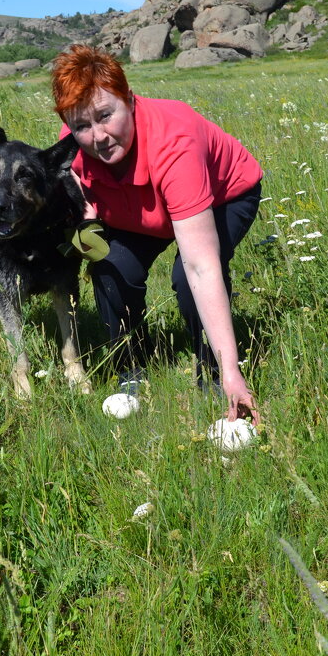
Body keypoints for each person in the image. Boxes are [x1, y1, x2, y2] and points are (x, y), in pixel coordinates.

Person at [52, 44, 262, 425]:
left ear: (130, 101)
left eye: (106, 115)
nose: (97, 136)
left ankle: (215, 373)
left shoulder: (174, 141)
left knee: (186, 276)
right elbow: (75, 190)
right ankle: (130, 367)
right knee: (110, 265)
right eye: (82, 125)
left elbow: (202, 267)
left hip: (221, 196)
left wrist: (232, 371)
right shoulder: (75, 146)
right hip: (143, 209)